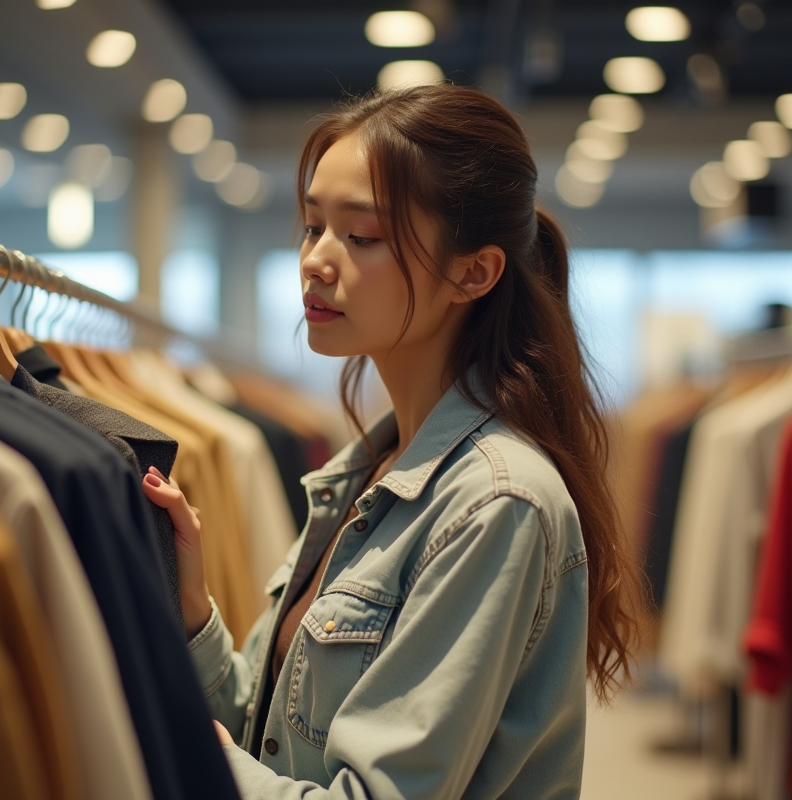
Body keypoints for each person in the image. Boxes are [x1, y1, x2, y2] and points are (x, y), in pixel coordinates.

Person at [141, 83, 643, 799]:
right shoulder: (368, 473)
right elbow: (269, 731)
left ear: (473, 271)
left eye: (362, 236)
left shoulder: (496, 503)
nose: (316, 258)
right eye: (313, 225)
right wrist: (192, 607)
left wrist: (201, 758)